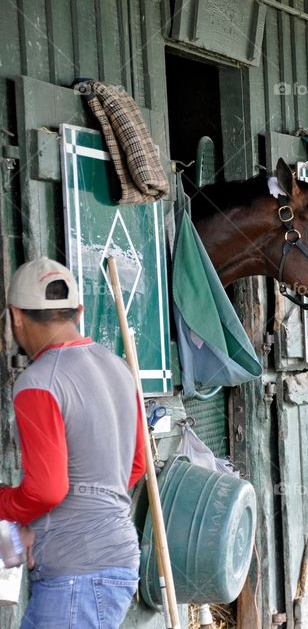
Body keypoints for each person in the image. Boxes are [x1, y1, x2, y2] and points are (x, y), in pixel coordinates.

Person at [0, 258, 145, 628]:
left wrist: (6, 503)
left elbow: (47, 490)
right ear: (78, 311)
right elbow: (135, 466)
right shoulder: (118, 369)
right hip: (116, 559)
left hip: (77, 573)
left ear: (15, 316)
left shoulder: (38, 382)